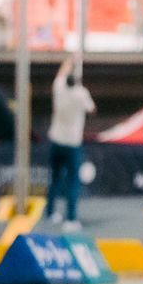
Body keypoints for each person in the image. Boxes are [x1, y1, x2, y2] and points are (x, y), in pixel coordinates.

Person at [44, 54, 96, 229]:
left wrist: (69, 60)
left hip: (56, 141)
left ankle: (50, 212)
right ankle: (71, 218)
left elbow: (61, 73)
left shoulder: (58, 87)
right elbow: (92, 109)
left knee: (55, 178)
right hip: (72, 144)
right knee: (73, 181)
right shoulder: (81, 94)